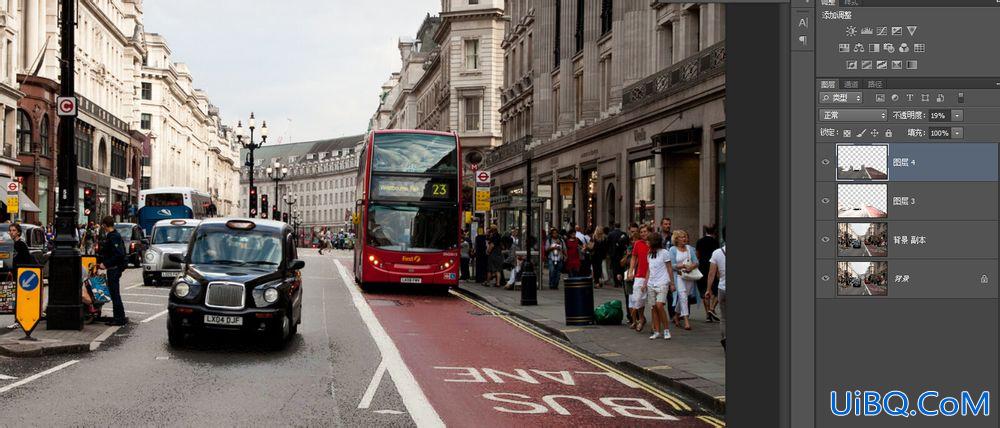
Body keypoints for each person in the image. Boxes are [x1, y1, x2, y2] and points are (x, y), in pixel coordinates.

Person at [97, 215, 128, 326]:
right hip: (114, 268)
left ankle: (119, 318)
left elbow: (118, 254)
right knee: (115, 294)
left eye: (103, 225)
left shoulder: (113, 236)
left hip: (113, 269)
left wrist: (106, 264)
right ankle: (120, 316)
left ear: (105, 225)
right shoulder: (113, 235)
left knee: (115, 294)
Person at [644, 233, 674, 340]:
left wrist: (672, 283)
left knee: (659, 305)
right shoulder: (649, 254)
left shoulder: (664, 253)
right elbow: (649, 270)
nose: (646, 243)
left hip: (662, 282)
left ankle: (666, 330)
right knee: (653, 308)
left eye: (648, 241)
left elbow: (669, 268)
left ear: (653, 242)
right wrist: (645, 283)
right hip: (651, 283)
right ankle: (657, 331)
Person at [669, 230, 699, 331]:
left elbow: (696, 262)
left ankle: (676, 315)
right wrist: (681, 265)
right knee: (682, 296)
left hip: (689, 276)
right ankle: (686, 320)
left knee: (684, 297)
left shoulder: (689, 249)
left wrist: (691, 267)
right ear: (676, 239)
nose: (684, 239)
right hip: (679, 276)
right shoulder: (672, 249)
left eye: (685, 237)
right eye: (682, 237)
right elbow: (671, 265)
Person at [705, 228, 727, 350]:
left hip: (722, 289)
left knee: (724, 318)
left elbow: (711, 274)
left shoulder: (717, 253)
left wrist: (708, 289)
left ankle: (725, 339)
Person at [626, 225, 651, 332]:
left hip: (653, 275)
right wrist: (631, 271)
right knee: (638, 299)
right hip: (640, 274)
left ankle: (655, 325)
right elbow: (634, 257)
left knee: (653, 301)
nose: (643, 234)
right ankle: (641, 319)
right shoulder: (637, 243)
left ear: (649, 232)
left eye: (645, 231)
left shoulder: (653, 243)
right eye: (641, 232)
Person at [695, 224, 721, 322]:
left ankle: (707, 314)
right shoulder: (715, 242)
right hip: (712, 266)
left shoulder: (699, 241)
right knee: (717, 289)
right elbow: (717, 256)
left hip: (702, 267)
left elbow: (697, 255)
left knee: (704, 291)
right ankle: (712, 308)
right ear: (714, 232)